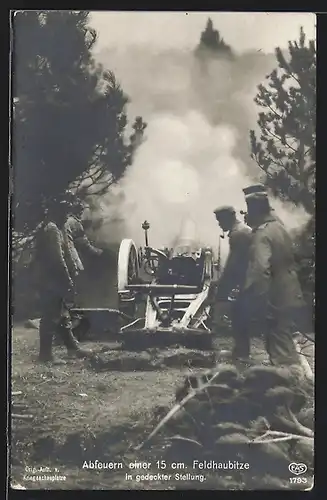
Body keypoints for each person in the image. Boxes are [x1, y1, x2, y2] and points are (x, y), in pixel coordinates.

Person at [242, 184, 306, 366]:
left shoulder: (262, 234)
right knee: (285, 340)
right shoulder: (278, 225)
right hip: (290, 292)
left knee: (279, 349)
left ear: (253, 211)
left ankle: (289, 387)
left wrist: (259, 301)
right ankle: (295, 383)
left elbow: (260, 271)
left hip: (274, 298)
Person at [34, 199, 93, 363]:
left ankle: (72, 348)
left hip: (49, 277)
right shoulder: (52, 229)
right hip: (51, 279)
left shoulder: (51, 227)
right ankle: (45, 355)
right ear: (57, 211)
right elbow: (58, 260)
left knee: (62, 314)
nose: (66, 216)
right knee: (51, 315)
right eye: (64, 212)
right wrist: (67, 280)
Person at [209, 205, 253, 360]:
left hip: (246, 279)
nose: (219, 225)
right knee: (239, 314)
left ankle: (242, 353)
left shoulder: (238, 234)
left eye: (220, 220)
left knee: (239, 314)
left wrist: (222, 286)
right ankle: (241, 351)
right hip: (247, 278)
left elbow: (234, 264)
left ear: (228, 218)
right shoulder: (241, 230)